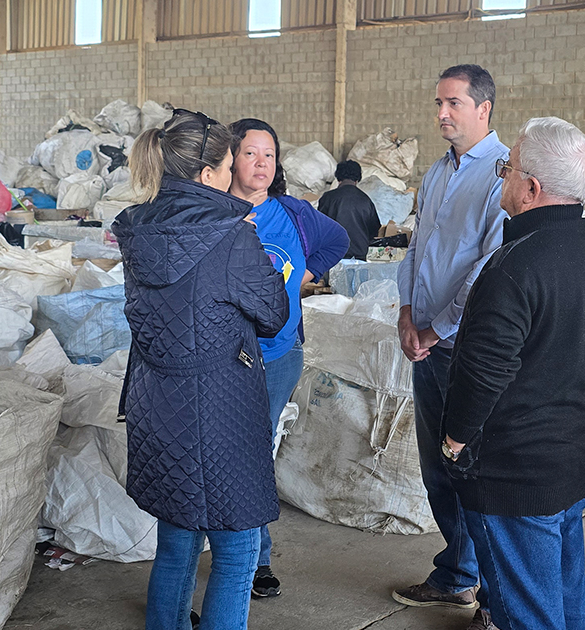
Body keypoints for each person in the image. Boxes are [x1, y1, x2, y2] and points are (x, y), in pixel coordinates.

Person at [441, 117, 585, 630]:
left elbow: (483, 372)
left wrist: (455, 439)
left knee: (527, 611)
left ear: (531, 187)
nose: (503, 178)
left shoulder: (513, 265)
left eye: (507, 168)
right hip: (573, 455)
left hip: (514, 471)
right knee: (565, 591)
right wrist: (556, 375)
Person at [113, 109, 289, 630]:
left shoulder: (137, 226)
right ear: (211, 172)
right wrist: (251, 249)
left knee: (178, 544)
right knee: (237, 552)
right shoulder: (232, 235)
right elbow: (274, 313)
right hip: (219, 407)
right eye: (234, 163)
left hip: (156, 403)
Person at [392, 64, 509, 630]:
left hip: (467, 350)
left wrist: (439, 329)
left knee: (474, 470)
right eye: (438, 102)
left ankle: (494, 595)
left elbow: (489, 266)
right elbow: (417, 250)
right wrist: (408, 313)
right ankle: (457, 574)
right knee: (438, 467)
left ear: (483, 108)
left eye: (453, 103)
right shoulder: (436, 173)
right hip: (426, 343)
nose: (441, 113)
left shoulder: (504, 174)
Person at [227, 118, 350, 599]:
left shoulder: (294, 213)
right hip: (224, 357)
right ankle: (236, 549)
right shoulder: (216, 212)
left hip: (278, 356)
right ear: (230, 159)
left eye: (269, 155)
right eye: (250, 153)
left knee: (255, 453)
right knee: (235, 453)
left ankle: (254, 559)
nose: (261, 164)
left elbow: (337, 241)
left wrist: (309, 273)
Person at [317, 160, 381, 260]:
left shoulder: (328, 198)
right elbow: (374, 229)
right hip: (359, 257)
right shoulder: (365, 200)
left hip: (332, 256)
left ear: (338, 178)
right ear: (357, 179)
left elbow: (319, 227)